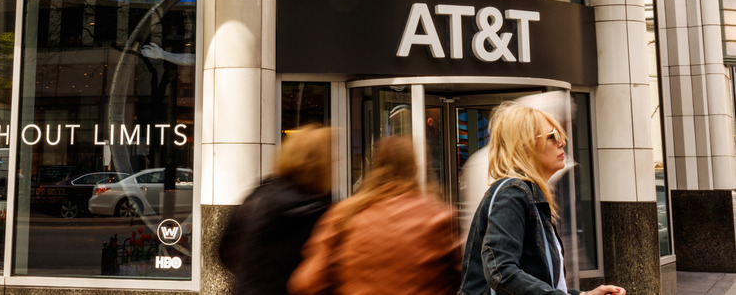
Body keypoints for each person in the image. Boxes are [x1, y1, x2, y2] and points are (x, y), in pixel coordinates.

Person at [458, 101, 626, 295]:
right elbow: (500, 271)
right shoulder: (513, 193)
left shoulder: (528, 194)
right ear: (525, 145)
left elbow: (539, 278)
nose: (562, 142)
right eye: (552, 137)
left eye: (561, 135)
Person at [287, 135, 461, 295]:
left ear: (374, 166)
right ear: (415, 169)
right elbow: (462, 276)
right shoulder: (437, 216)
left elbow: (307, 282)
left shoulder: (344, 215)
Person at [218, 125, 333, 295]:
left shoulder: (260, 193)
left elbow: (224, 249)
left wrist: (251, 275)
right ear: (321, 166)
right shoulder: (315, 209)